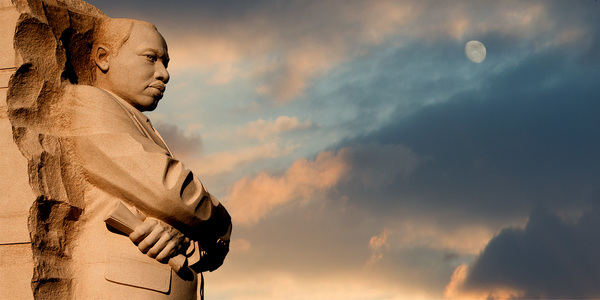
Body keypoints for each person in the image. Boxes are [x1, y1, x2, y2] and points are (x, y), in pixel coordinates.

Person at [60, 18, 231, 299]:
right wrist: (222, 223)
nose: (163, 74)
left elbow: (168, 208)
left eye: (165, 63)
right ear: (103, 58)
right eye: (150, 58)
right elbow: (170, 191)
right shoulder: (89, 103)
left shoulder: (135, 120)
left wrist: (182, 231)